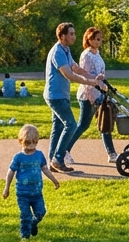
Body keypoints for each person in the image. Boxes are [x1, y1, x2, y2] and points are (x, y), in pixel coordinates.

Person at [44, 22, 105, 174]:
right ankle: (58, 159)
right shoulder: (57, 51)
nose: (74, 36)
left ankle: (53, 161)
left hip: (60, 94)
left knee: (58, 127)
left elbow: (76, 68)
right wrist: (91, 82)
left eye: (74, 33)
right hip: (55, 95)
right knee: (70, 124)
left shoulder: (66, 50)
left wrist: (94, 78)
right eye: (71, 34)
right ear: (62, 36)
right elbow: (70, 75)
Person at [2, 124, 60, 240]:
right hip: (23, 194)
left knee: (41, 212)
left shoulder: (39, 155)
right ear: (20, 141)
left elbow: (45, 169)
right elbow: (10, 172)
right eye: (28, 143)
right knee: (25, 215)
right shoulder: (18, 157)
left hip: (37, 193)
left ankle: (33, 223)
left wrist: (54, 180)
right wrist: (6, 188)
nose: (31, 146)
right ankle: (25, 235)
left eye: (35, 142)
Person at [68, 26, 116, 165]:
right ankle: (65, 151)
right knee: (83, 125)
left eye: (101, 39)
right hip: (88, 96)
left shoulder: (97, 53)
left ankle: (111, 153)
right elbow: (85, 77)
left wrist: (102, 82)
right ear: (89, 39)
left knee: (104, 122)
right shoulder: (87, 55)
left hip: (99, 93)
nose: (100, 41)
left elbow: (98, 74)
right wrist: (92, 97)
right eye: (97, 39)